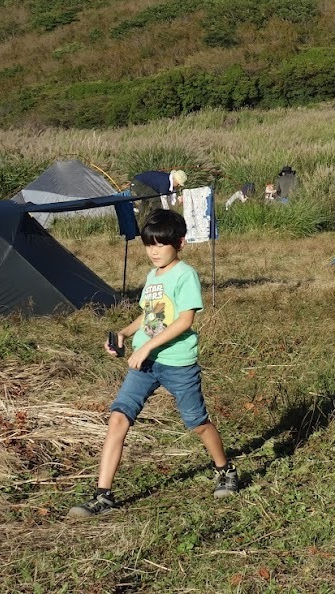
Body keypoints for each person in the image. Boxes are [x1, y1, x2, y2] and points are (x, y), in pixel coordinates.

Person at [68, 210, 237, 518]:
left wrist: (146, 347)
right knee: (118, 419)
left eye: (161, 244)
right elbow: (150, 316)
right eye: (149, 245)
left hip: (177, 364)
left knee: (197, 423)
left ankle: (225, 469)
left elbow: (185, 321)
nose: (154, 251)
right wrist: (124, 333)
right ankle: (103, 495)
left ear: (180, 243)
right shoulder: (152, 276)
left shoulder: (185, 274)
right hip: (144, 365)